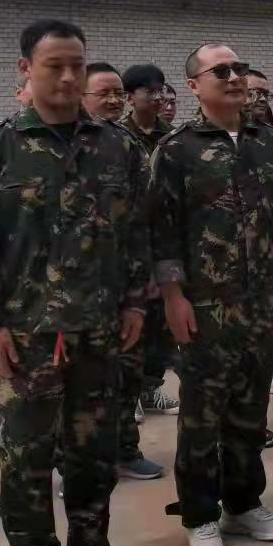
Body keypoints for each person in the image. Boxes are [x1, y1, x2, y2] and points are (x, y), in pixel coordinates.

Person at [0, 19, 149, 546]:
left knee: (93, 450)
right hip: (26, 332)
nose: (68, 77)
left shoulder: (118, 146)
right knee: (26, 457)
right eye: (54, 66)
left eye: (77, 65)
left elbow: (137, 231)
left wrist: (135, 301)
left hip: (99, 325)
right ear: (24, 70)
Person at [150, 43, 273, 546]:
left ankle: (244, 502)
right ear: (194, 86)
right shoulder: (176, 150)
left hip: (257, 302)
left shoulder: (268, 143)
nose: (235, 77)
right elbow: (162, 229)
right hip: (204, 305)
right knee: (202, 414)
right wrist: (173, 295)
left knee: (250, 408)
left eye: (239, 69)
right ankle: (199, 514)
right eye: (221, 71)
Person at [80, 62, 163, 480]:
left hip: (123, 283)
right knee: (79, 384)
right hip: (73, 288)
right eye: (104, 94)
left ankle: (126, 450)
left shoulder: (127, 146)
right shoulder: (62, 145)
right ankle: (79, 465)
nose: (113, 100)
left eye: (118, 93)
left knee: (127, 372)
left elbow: (145, 216)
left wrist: (148, 272)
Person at [119, 64, 179, 418]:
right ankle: (129, 396)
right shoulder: (117, 137)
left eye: (161, 91)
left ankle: (151, 387)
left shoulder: (173, 138)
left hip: (163, 240)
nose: (158, 98)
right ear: (130, 97)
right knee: (131, 320)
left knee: (159, 324)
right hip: (131, 242)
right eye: (149, 91)